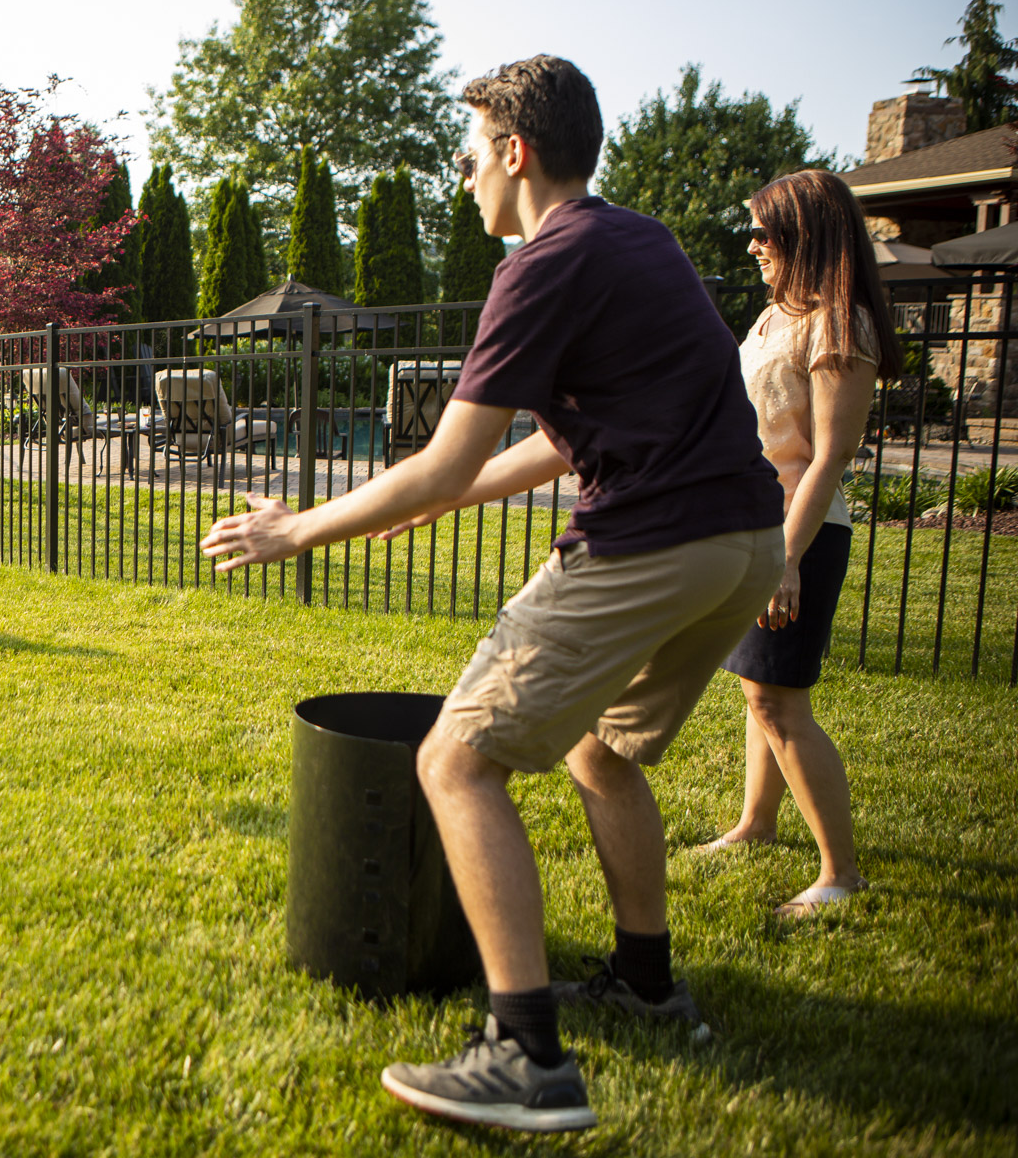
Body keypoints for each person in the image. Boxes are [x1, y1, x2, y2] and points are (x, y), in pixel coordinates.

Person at [200, 55, 785, 1133]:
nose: (463, 178)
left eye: (469, 157)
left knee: (454, 758)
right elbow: (561, 437)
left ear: (515, 153)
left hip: (653, 540)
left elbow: (439, 458)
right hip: (744, 544)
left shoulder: (542, 263)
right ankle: (650, 984)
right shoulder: (638, 239)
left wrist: (297, 528)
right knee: (596, 749)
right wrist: (446, 495)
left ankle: (525, 1056)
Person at [704, 170, 901, 916]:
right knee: (761, 694)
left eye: (765, 232)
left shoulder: (839, 326)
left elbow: (829, 455)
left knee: (783, 703)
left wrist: (786, 557)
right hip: (760, 527)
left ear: (807, 237)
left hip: (803, 534)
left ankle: (839, 874)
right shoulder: (774, 318)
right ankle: (756, 825)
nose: (752, 244)